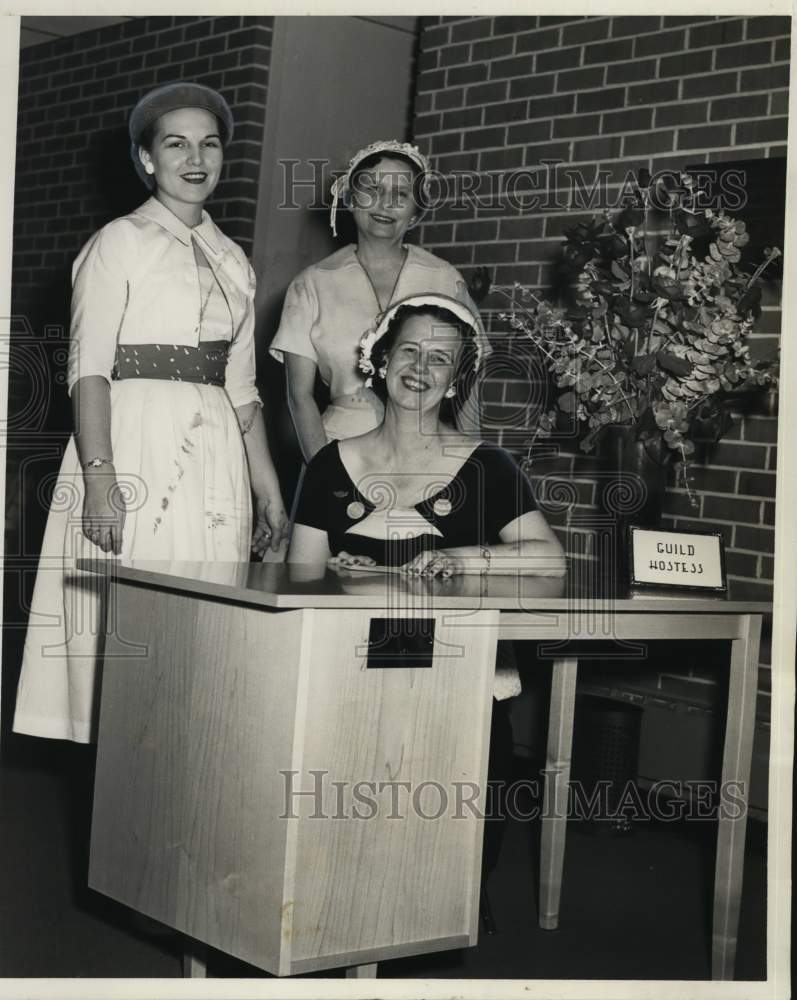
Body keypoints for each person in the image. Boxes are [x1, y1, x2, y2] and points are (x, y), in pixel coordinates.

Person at [13, 82, 289, 743]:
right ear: (145, 159)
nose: (195, 158)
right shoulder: (119, 242)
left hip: (215, 458)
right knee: (120, 638)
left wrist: (270, 492)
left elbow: (244, 392)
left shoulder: (234, 259)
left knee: (199, 635)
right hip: (129, 441)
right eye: (176, 144)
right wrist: (102, 478)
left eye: (209, 143)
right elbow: (88, 369)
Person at [288, 292, 566, 881]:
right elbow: (299, 579)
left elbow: (549, 561)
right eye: (408, 350)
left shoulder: (488, 466)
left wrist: (459, 557)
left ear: (456, 379)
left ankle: (456, 890)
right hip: (345, 682)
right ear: (380, 361)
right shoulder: (329, 466)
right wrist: (341, 579)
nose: (420, 368)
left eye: (440, 359)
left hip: (456, 686)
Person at [269, 140, 488, 461]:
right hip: (341, 447)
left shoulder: (444, 278)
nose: (384, 204)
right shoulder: (312, 283)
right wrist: (323, 471)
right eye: (371, 188)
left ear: (415, 213)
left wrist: (475, 466)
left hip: (426, 453)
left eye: (400, 195)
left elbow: (470, 386)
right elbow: (299, 396)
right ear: (350, 199)